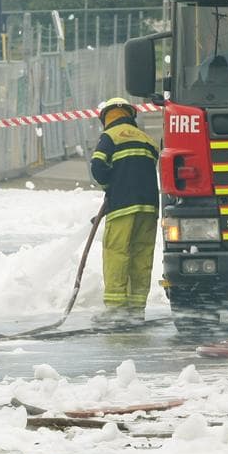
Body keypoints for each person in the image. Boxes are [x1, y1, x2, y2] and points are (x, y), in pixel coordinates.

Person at [89, 97, 160, 326]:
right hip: (149, 207)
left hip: (122, 206)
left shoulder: (110, 137)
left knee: (117, 253)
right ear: (130, 114)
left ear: (107, 117)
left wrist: (111, 187)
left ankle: (116, 309)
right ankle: (136, 310)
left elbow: (98, 165)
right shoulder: (147, 139)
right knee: (141, 255)